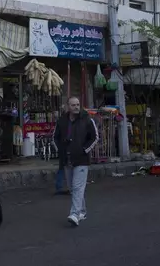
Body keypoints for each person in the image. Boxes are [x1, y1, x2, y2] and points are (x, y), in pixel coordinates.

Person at [53, 96, 99, 227]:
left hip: (81, 159)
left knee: (78, 187)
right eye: (73, 105)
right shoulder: (62, 121)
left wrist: (85, 150)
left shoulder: (87, 120)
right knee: (73, 188)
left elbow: (95, 137)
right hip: (67, 159)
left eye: (78, 104)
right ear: (68, 107)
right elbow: (55, 137)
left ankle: (74, 214)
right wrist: (60, 150)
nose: (76, 107)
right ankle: (82, 211)